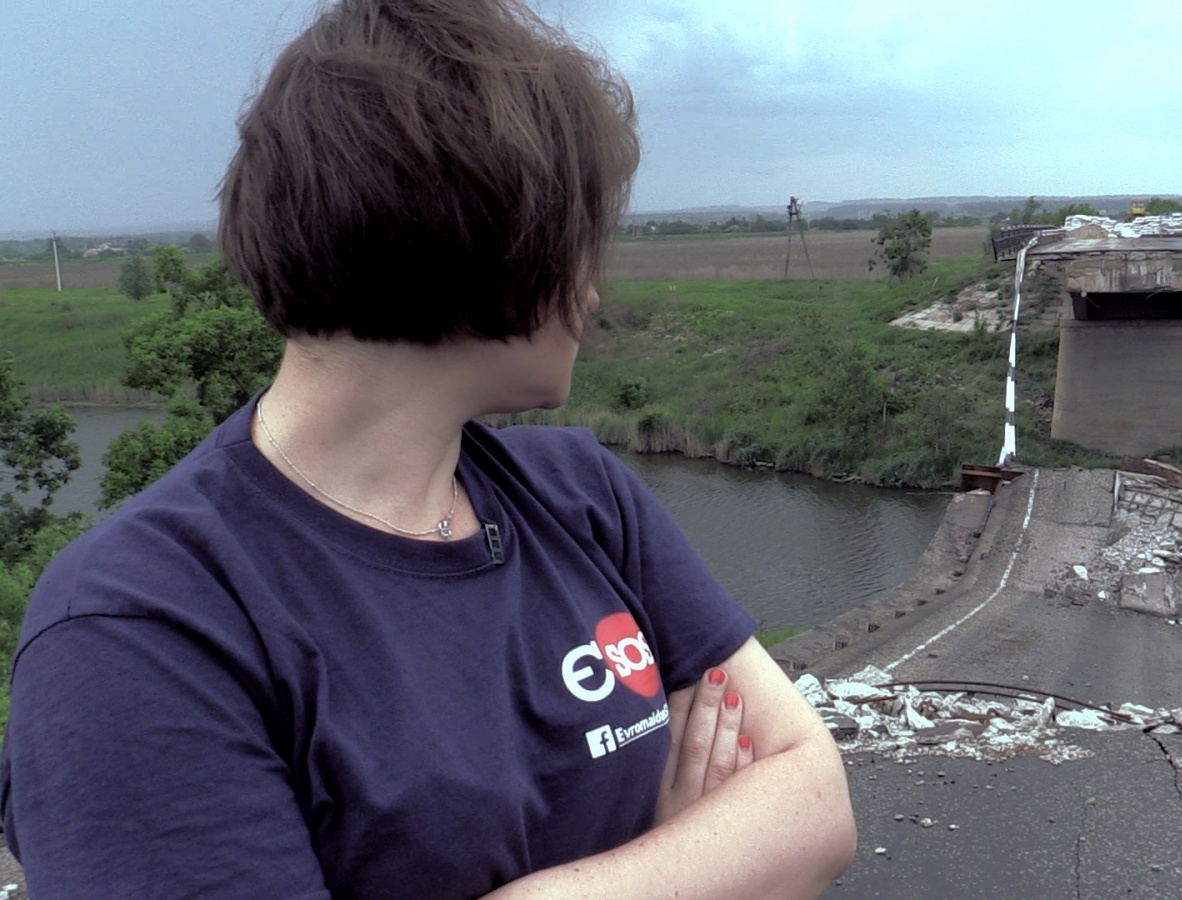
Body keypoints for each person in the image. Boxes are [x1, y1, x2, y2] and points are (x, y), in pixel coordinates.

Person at [0, 1, 856, 897]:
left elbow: (813, 798)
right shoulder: (141, 626)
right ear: (487, 235)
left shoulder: (585, 497)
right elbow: (759, 838)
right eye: (578, 242)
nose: (594, 293)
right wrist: (693, 860)